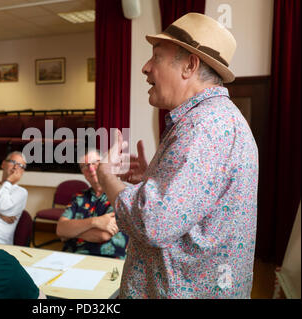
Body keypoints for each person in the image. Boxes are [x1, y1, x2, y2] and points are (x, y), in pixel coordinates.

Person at [97, 13, 258, 298]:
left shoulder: (204, 127)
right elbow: (185, 210)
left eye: (156, 57)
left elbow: (153, 222)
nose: (145, 68)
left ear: (189, 65)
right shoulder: (218, 120)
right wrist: (153, 180)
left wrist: (108, 178)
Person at [56, 149, 128, 259]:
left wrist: (71, 233)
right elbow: (60, 229)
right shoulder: (78, 197)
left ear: (104, 165)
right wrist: (96, 222)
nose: (90, 168)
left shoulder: (121, 195)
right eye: (85, 166)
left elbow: (103, 235)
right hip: (73, 256)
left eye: (95, 162)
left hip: (109, 258)